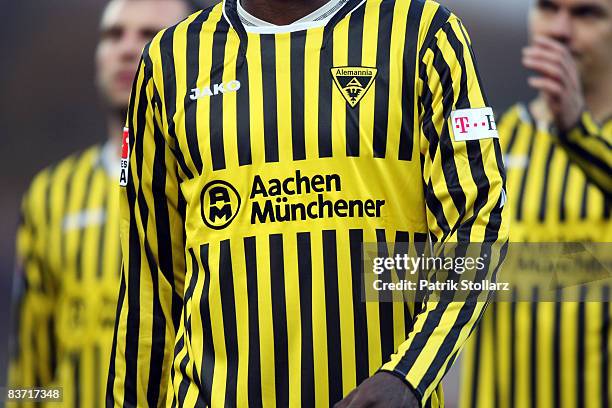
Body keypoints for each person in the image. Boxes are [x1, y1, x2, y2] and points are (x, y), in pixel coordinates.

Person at [107, 0, 509, 407]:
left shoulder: (425, 34)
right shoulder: (168, 60)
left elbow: (480, 222)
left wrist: (409, 375)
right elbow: (148, 280)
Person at [7, 1, 194, 406]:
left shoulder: (216, 185)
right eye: (113, 35)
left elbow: (370, 258)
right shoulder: (50, 195)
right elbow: (30, 363)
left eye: (149, 35)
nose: (127, 49)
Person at [460, 0, 612, 406]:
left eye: (586, 14)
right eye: (548, 9)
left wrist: (577, 132)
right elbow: (417, 271)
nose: (560, 29)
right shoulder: (495, 141)